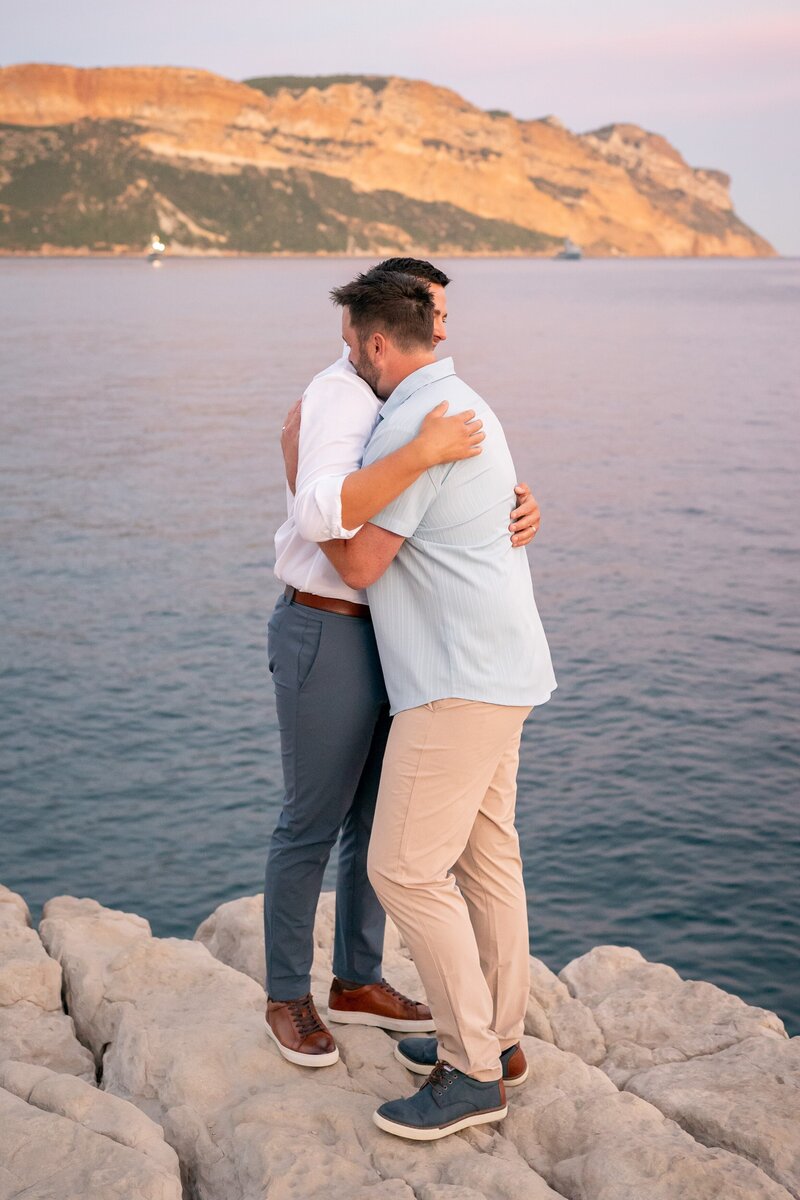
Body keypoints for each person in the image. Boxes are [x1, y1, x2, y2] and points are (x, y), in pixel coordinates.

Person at [264, 259, 541, 1069]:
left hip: (396, 634)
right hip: (328, 625)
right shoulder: (342, 398)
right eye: (434, 313)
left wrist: (514, 506)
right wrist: (421, 456)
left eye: (446, 313)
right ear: (380, 333)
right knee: (310, 821)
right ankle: (288, 994)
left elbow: (444, 510)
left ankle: (357, 979)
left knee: (375, 823)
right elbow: (322, 510)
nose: (445, 329)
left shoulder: (411, 401)